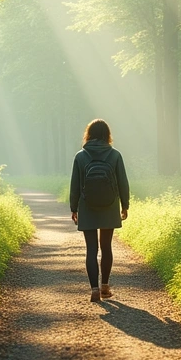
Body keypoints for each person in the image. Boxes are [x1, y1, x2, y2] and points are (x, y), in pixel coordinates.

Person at [69, 118, 130, 303]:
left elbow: (75, 185)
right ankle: (105, 287)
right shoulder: (115, 155)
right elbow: (122, 182)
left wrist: (74, 207)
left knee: (91, 249)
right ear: (107, 135)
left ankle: (94, 290)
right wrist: (125, 205)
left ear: (89, 134)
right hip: (110, 206)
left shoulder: (80, 156)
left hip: (87, 207)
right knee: (106, 247)